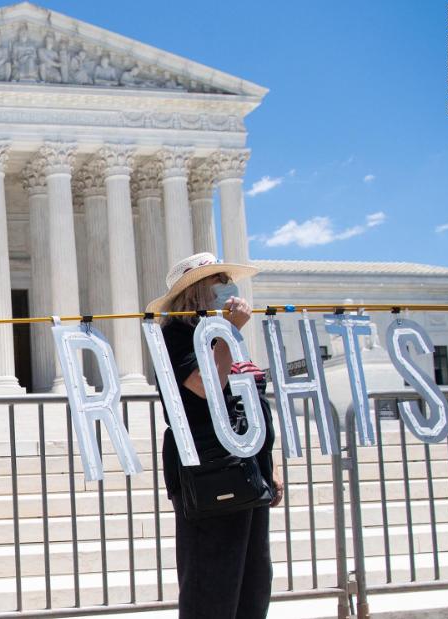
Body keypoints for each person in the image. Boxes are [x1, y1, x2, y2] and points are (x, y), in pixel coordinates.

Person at [146, 252, 283, 619]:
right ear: (195, 290)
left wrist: (269, 464)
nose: (228, 287)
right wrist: (230, 331)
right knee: (211, 581)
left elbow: (247, 401)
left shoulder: (219, 333)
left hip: (247, 466)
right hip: (209, 472)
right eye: (219, 280)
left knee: (254, 581)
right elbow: (206, 386)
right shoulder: (175, 335)